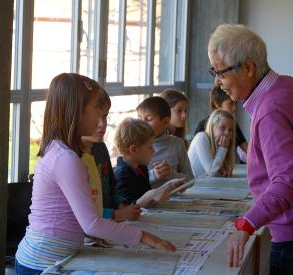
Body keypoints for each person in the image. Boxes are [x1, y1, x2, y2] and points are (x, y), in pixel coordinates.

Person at [208, 24, 293, 274]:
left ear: (248, 68)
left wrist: (246, 224)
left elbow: (287, 183)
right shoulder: (291, 85)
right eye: (214, 72)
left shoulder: (270, 110)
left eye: (221, 73)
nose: (218, 83)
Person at [14, 73, 175, 275]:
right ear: (76, 110)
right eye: (96, 108)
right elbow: (92, 224)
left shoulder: (68, 152)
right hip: (41, 264)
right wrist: (145, 237)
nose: (101, 120)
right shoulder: (65, 158)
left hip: (60, 257)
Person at [81, 92, 141, 222]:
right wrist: (118, 214)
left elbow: (112, 186)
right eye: (96, 117)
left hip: (110, 224)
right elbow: (82, 212)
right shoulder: (71, 157)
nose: (102, 124)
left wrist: (120, 205)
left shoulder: (100, 148)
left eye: (105, 117)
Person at [114, 117, 185, 206]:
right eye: (150, 146)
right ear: (134, 149)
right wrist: (150, 195)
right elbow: (127, 210)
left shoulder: (141, 167)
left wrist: (169, 186)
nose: (153, 151)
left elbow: (149, 201)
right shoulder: (122, 175)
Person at [136, 96, 194, 188]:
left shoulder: (177, 144)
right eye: (139, 118)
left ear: (166, 121)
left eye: (149, 119)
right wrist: (153, 175)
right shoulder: (135, 145)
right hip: (146, 200)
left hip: (174, 200)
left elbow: (191, 181)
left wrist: (171, 174)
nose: (142, 124)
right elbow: (130, 183)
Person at [194, 85, 248, 162]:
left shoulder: (233, 124)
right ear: (217, 104)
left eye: (235, 104)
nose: (234, 108)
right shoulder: (203, 125)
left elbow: (246, 148)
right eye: (231, 104)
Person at [188, 109, 236, 177]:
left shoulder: (217, 144)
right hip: (190, 185)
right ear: (212, 127)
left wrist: (224, 171)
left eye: (230, 130)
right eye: (222, 128)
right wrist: (223, 148)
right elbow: (211, 171)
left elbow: (217, 170)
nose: (227, 133)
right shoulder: (201, 138)